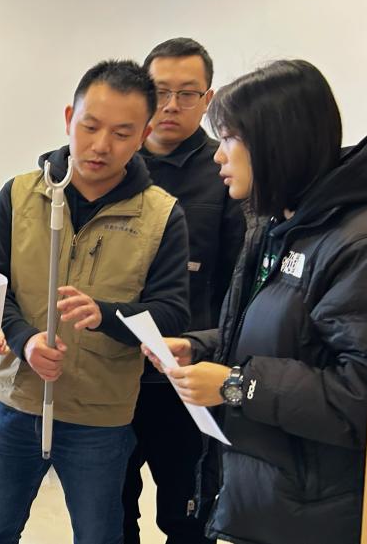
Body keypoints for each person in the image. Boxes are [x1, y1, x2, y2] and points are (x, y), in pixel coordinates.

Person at [144, 59, 367, 544]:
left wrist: (235, 385)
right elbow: (286, 337)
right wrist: (201, 346)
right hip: (267, 491)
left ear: (275, 143)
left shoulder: (354, 244)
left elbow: (358, 396)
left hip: (314, 511)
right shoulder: (279, 224)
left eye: (229, 139)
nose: (217, 156)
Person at [0, 60, 191, 544]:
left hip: (100, 415)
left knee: (99, 536)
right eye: (90, 126)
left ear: (144, 135)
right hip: (16, 400)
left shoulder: (161, 216)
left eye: (122, 133)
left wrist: (106, 315)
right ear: (69, 118)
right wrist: (24, 341)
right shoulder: (20, 195)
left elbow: (172, 313)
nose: (101, 145)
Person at [123, 38, 245, 544]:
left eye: (187, 94)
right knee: (110, 514)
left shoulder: (224, 170)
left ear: (208, 98)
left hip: (187, 379)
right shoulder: (114, 164)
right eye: (160, 91)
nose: (171, 106)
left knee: (187, 519)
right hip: (113, 378)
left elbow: (239, 284)